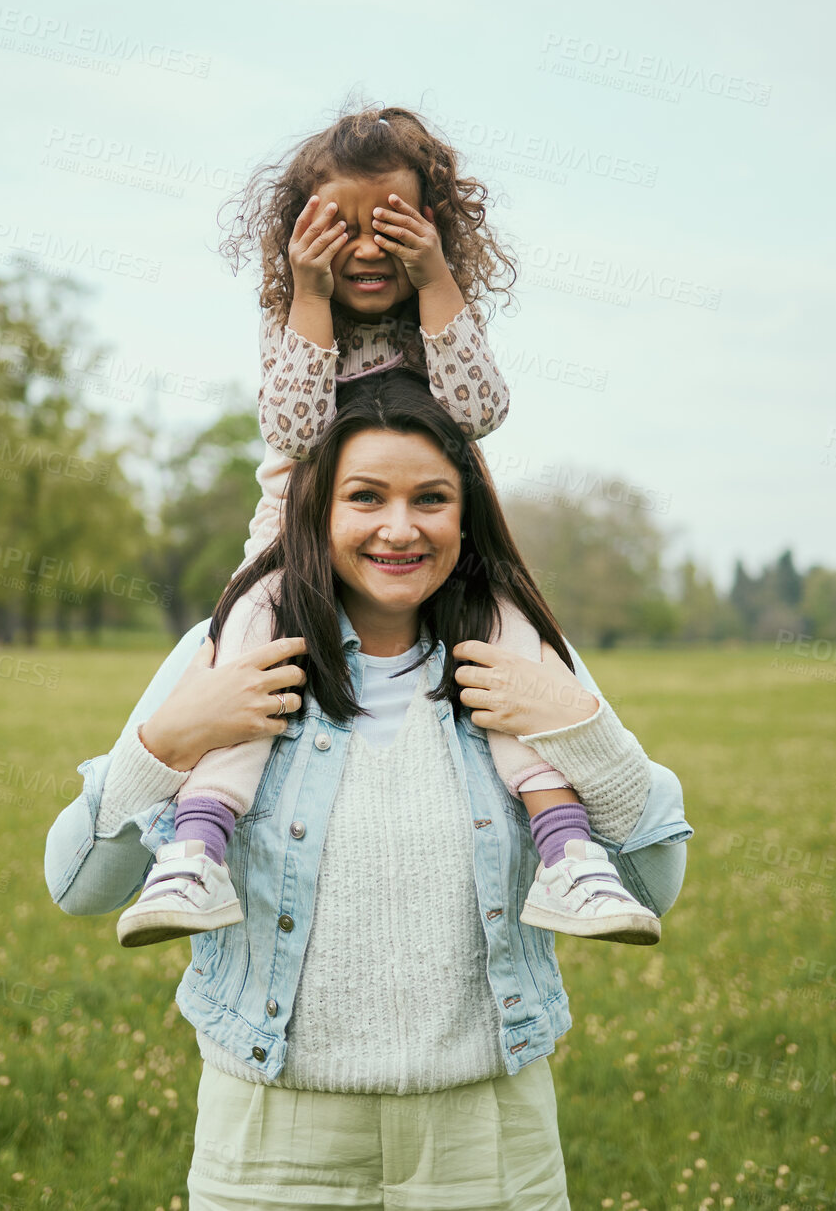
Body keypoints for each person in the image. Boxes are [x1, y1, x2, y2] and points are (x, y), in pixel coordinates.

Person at [44, 371, 694, 1207]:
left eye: (430, 498)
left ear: (466, 518)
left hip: (486, 1137)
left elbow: (653, 889)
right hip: (271, 1134)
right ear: (316, 512)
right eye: (364, 497)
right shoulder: (229, 648)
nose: (399, 527)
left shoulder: (523, 659)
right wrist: (170, 737)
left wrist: (582, 728)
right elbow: (78, 888)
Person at [115, 102, 651, 947]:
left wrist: (436, 279)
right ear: (299, 232)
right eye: (340, 228)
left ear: (430, 226)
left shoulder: (438, 310)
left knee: (511, 646)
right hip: (293, 535)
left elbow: (478, 408)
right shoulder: (297, 310)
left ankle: (568, 854)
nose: (367, 247)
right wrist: (310, 293)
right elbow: (294, 430)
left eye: (391, 225)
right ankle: (195, 849)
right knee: (248, 650)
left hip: (439, 545)